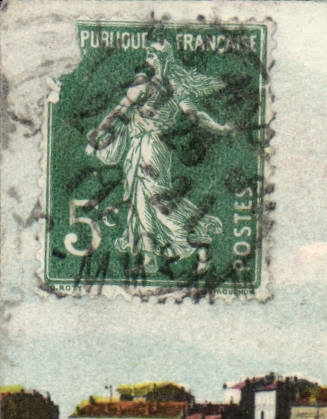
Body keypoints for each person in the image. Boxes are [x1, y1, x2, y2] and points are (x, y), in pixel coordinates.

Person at [85, 39, 234, 272]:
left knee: (157, 200)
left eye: (153, 55)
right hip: (139, 148)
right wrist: (96, 139)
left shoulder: (172, 89)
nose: (150, 59)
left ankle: (200, 241)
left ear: (163, 59)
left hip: (152, 148)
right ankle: (150, 259)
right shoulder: (147, 87)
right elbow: (116, 113)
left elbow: (196, 116)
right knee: (139, 199)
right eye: (149, 55)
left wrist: (220, 128)